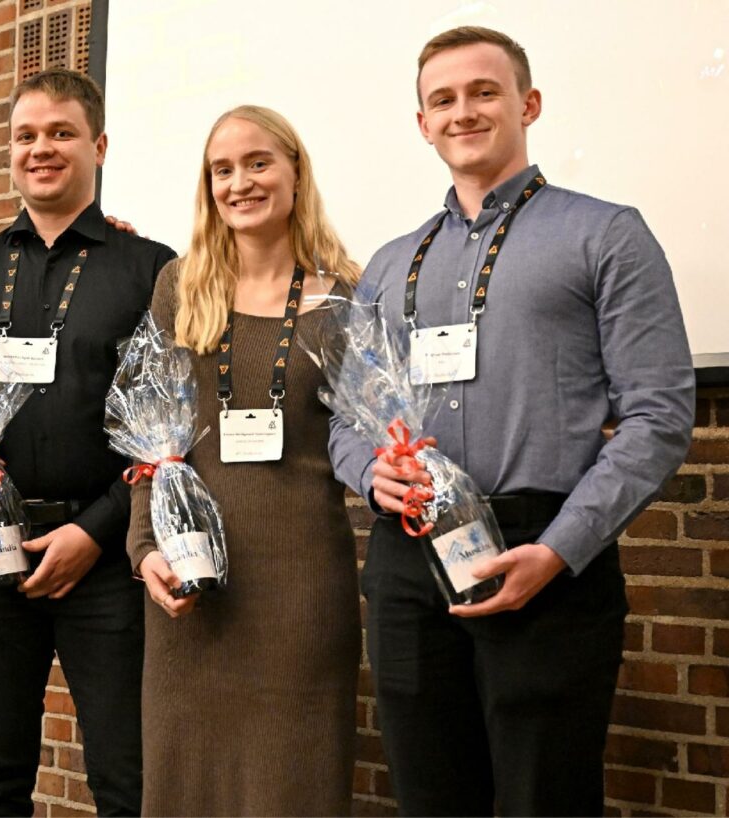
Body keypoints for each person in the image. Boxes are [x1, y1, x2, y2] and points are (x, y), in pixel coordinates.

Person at [327, 26, 694, 816]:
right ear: (422, 123)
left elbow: (659, 417)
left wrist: (559, 551)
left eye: (483, 92)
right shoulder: (389, 265)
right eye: (443, 100)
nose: (463, 112)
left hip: (546, 554)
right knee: (429, 797)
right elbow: (346, 423)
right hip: (408, 557)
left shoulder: (606, 234)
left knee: (544, 799)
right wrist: (369, 471)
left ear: (527, 103)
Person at [0, 68, 175, 816]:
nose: (42, 148)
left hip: (106, 562)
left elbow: (169, 432)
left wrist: (95, 533)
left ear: (98, 145)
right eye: (25, 135)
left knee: (126, 782)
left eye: (61, 133)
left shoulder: (151, 268)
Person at [126, 105, 362, 816]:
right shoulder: (180, 286)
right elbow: (150, 438)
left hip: (300, 587)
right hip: (190, 584)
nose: (240, 182)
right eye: (221, 169)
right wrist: (144, 548)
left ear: (295, 169)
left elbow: (365, 434)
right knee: (184, 787)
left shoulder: (346, 295)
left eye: (258, 162)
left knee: (293, 787)